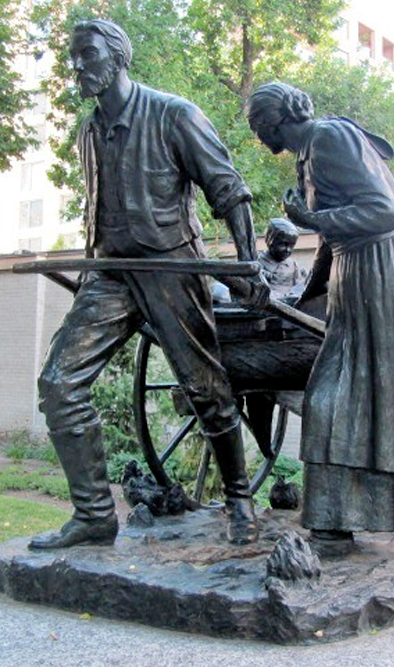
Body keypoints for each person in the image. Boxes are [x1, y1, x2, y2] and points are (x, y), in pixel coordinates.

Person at [29, 19, 262, 550]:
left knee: (206, 388)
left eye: (87, 54)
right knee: (59, 385)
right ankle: (93, 515)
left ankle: (240, 499)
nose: (78, 66)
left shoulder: (174, 114)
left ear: (117, 57)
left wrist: (249, 264)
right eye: (74, 56)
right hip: (110, 272)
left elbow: (228, 190)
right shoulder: (89, 130)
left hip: (170, 268)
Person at [247, 82, 394, 560]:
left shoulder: (330, 137)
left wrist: (308, 219)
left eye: (257, 124)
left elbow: (382, 211)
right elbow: (333, 236)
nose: (257, 135)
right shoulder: (308, 152)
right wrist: (302, 294)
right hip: (355, 286)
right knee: (334, 401)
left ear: (274, 120)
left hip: (390, 279)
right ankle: (335, 524)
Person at [258, 218, 308, 299]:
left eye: (291, 246)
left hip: (290, 302)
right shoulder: (259, 262)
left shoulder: (292, 265)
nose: (287, 250)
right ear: (270, 241)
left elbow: (299, 285)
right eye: (283, 244)